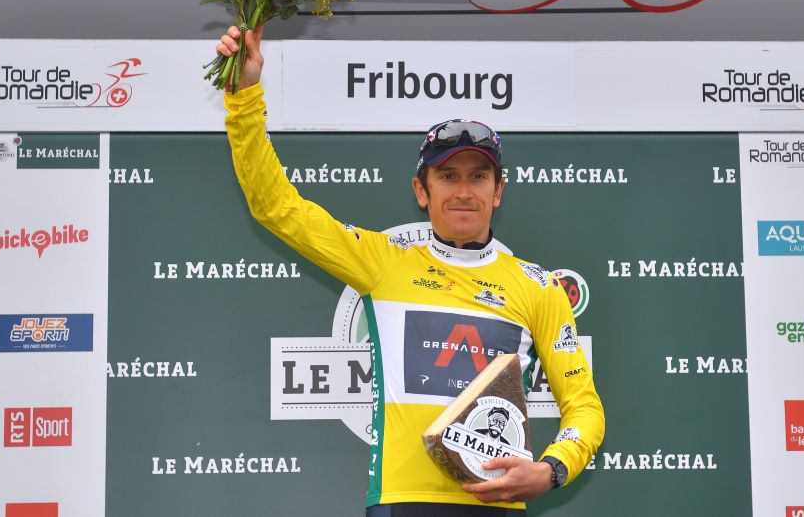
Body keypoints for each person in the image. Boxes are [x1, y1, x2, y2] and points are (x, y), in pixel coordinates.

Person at [218, 26, 604, 517]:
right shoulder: (383, 262)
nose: (464, 191)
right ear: (421, 192)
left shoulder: (539, 287)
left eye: (478, 176)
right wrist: (246, 96)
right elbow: (276, 207)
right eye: (447, 176)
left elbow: (584, 407)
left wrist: (552, 470)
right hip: (402, 503)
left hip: (500, 504)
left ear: (498, 192)